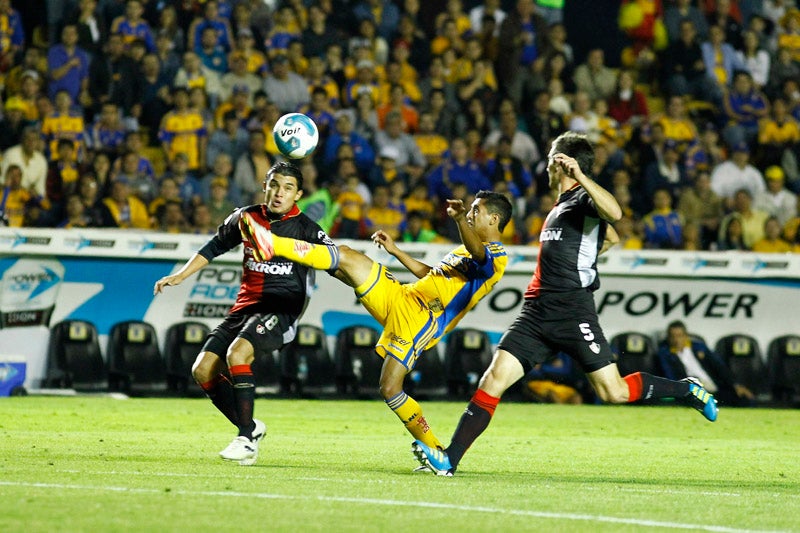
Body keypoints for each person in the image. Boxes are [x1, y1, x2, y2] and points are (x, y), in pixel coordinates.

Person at [411, 131, 719, 477]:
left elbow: (615, 213)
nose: (545, 165)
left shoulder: (582, 198)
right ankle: (449, 460)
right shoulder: (560, 208)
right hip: (536, 312)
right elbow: (611, 236)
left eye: (550, 158)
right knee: (493, 378)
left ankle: (686, 389)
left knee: (613, 392)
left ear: (562, 163)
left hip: (573, 310)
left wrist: (582, 177)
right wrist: (587, 253)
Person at [238, 189, 512, 456]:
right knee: (346, 256)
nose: (471, 214)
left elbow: (479, 255)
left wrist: (460, 218)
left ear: (494, 219)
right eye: (470, 210)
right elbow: (432, 274)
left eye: (476, 210)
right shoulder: (464, 250)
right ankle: (274, 244)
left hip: (422, 319)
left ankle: (434, 448)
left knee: (390, 388)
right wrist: (395, 251)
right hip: (404, 295)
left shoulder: (496, 257)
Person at [153, 161, 333, 466]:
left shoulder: (308, 230)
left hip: (281, 310)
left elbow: (336, 260)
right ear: (265, 186)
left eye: (288, 188)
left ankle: (246, 438)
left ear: (298, 195)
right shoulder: (246, 218)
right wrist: (181, 275)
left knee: (237, 354)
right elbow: (215, 245)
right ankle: (250, 427)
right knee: (202, 370)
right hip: (245, 307)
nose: (279, 193)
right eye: (274, 185)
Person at [657, 320, 755, 407]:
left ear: (686, 336)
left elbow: (719, 366)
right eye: (672, 336)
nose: (676, 340)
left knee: (743, 398)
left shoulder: (699, 347)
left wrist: (736, 385)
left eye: (679, 336)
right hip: (694, 390)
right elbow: (670, 376)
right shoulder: (666, 354)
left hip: (715, 388)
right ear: (668, 338)